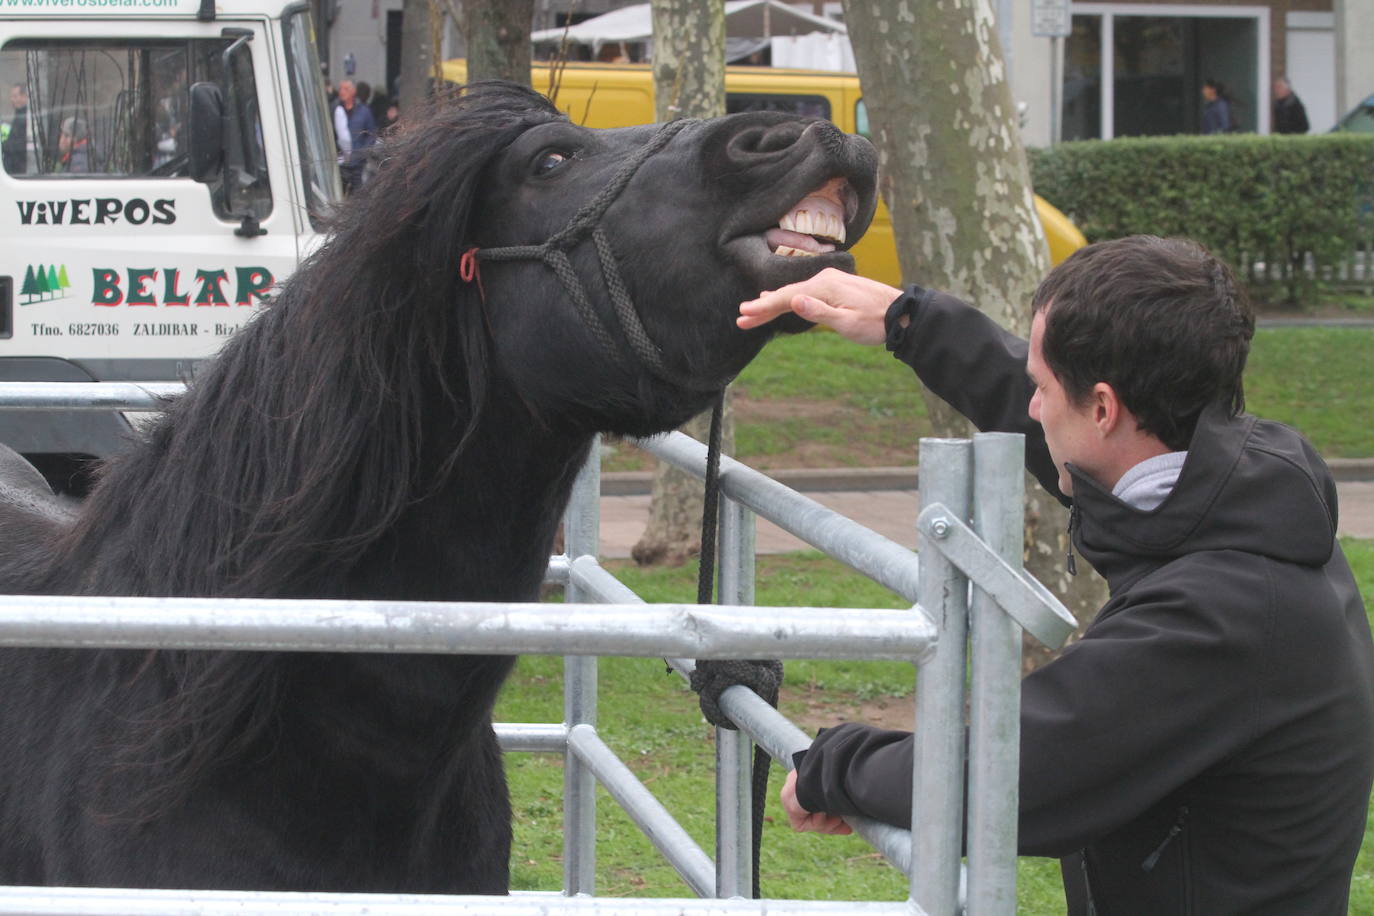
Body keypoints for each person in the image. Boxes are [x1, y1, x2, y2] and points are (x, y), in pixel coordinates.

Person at [736, 236, 1374, 914]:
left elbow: (1009, 774)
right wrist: (911, 322)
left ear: (1103, 408)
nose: (1033, 409)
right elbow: (1055, 415)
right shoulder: (1229, 490)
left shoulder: (1225, 613)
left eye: (1044, 389)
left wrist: (835, 766)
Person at [333, 78, 376, 193]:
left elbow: (371, 134)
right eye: (340, 89)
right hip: (340, 162)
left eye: (346, 89)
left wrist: (363, 152)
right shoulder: (335, 109)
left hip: (358, 163)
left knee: (359, 194)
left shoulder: (364, 111)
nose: (342, 92)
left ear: (353, 91)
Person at [2, 83, 28, 174]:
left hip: (17, 169)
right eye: (11, 96)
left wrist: (3, 145)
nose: (12, 99)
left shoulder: (24, 118)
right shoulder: (19, 116)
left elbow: (18, 144)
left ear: (25, 97)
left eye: (15, 96)